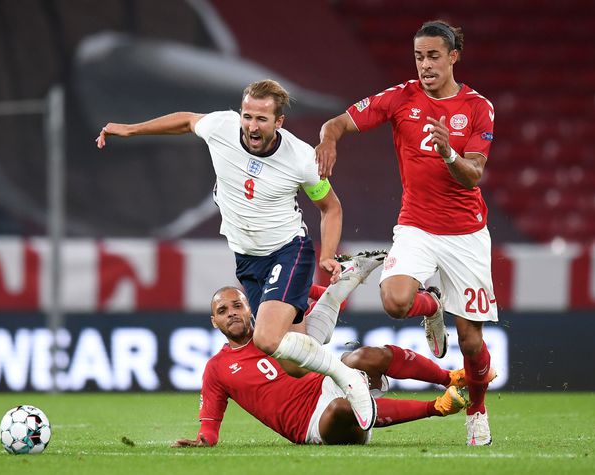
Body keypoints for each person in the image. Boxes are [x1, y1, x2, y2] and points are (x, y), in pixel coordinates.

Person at [96, 79, 375, 430]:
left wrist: (327, 254)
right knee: (295, 360)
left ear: (279, 123)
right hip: (247, 259)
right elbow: (186, 120)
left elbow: (330, 208)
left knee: (266, 339)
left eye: (261, 119)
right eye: (247, 116)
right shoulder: (222, 127)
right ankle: (337, 293)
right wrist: (131, 130)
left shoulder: (302, 157)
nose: (251, 126)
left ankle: (348, 378)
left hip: (289, 251)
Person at [315, 21, 498, 446]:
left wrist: (448, 150)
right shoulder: (400, 98)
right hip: (416, 225)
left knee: (471, 343)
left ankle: (477, 410)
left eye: (434, 56)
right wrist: (328, 141)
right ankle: (429, 304)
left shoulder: (477, 107)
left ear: (454, 56)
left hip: (466, 234)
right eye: (419, 57)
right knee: (395, 301)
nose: (425, 65)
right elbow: (337, 122)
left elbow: (472, 176)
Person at [172, 286, 474, 447]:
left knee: (365, 356)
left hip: (328, 381)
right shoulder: (217, 368)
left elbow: (327, 301)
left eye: (237, 305)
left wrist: (322, 288)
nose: (232, 314)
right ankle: (438, 407)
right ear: (214, 322)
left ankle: (450, 376)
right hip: (313, 423)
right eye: (223, 311)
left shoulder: (274, 327)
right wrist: (203, 441)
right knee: (343, 407)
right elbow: (210, 426)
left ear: (250, 307)